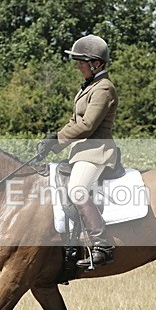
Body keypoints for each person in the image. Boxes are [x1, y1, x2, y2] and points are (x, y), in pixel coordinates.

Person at [37, 34, 118, 268]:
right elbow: (74, 122)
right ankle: (72, 242)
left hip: (96, 151)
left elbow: (87, 125)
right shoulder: (89, 87)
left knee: (77, 190)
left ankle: (103, 245)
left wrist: (59, 139)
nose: (78, 65)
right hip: (81, 151)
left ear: (96, 63)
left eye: (81, 61)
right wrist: (54, 141)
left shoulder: (104, 88)